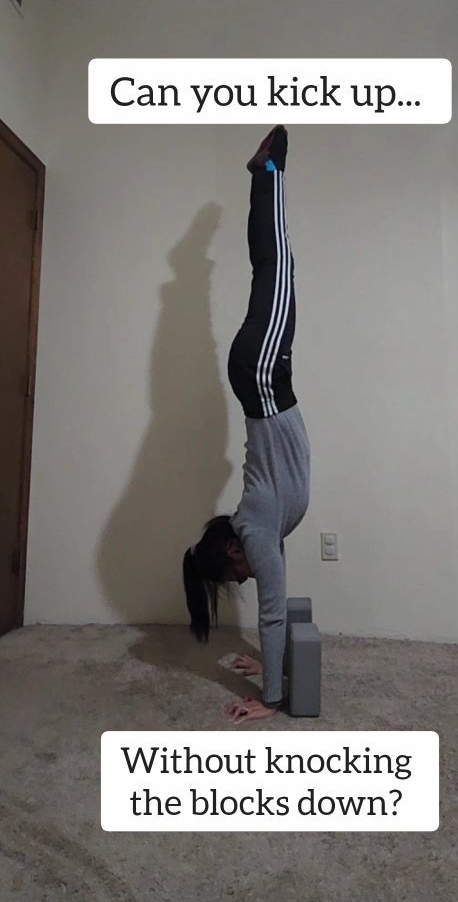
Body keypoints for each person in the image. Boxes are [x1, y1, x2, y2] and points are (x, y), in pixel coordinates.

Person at [183, 126, 311, 723]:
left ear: (235, 549)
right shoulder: (258, 524)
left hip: (262, 374)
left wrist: (271, 702)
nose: (248, 577)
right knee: (271, 268)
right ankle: (265, 174)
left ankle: (268, 173)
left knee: (276, 263)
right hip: (258, 377)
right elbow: (274, 613)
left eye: (236, 572)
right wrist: (263, 667)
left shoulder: (256, 532)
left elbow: (273, 611)